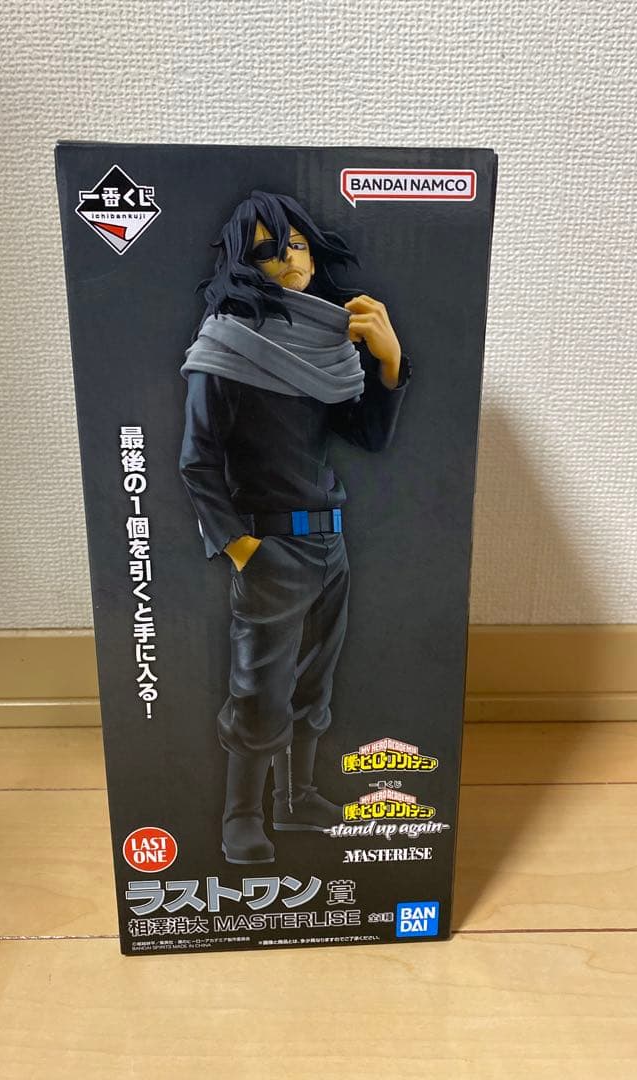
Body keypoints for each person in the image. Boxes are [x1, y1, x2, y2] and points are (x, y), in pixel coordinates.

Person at [179, 190, 411, 864]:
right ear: (242, 263)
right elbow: (196, 463)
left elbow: (368, 437)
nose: (291, 259)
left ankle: (296, 796)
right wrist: (242, 548)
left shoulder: (324, 347)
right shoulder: (225, 347)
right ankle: (242, 815)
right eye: (270, 250)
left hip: (328, 541)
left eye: (299, 245)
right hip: (271, 543)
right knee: (259, 690)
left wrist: (390, 362)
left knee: (314, 680)